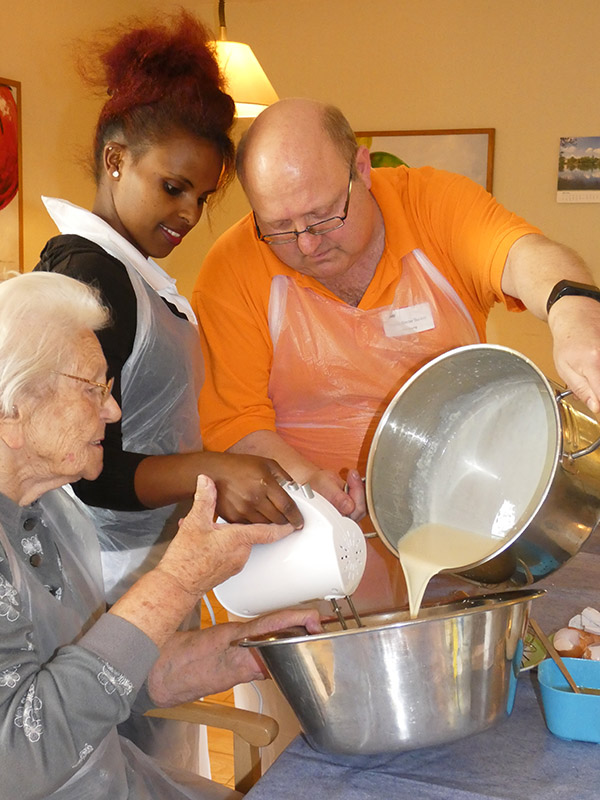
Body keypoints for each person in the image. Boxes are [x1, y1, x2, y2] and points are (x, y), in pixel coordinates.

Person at [193, 97, 600, 610]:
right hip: (315, 543)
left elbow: (524, 257)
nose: (306, 245)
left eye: (322, 217)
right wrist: (308, 480)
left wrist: (573, 311)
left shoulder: (433, 204)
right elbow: (236, 423)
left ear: (361, 169)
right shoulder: (231, 270)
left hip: (465, 512)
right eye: (278, 227)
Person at [34, 12, 303, 610]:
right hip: (95, 582)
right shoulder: (89, 277)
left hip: (146, 570)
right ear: (115, 160)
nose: (188, 214)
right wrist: (214, 469)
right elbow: (84, 467)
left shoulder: (135, 274)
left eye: (201, 198)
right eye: (173, 187)